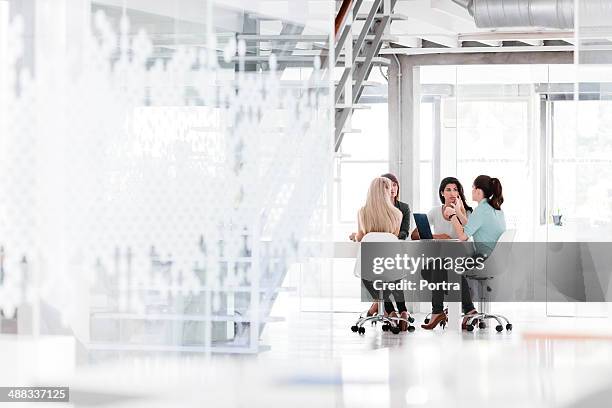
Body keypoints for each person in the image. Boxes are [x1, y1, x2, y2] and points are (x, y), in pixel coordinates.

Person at [422, 175, 506, 330]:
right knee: (439, 266)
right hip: (493, 259)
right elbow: (471, 225)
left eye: (473, 188)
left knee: (442, 265)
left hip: (482, 259)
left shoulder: (482, 210)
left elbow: (463, 236)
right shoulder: (494, 208)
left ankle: (440, 311)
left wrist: (453, 214)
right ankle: (467, 308)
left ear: (479, 191)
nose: (471, 190)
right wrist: (459, 212)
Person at [353, 177, 410, 331]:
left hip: (369, 269)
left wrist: (359, 236)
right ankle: (399, 311)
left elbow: (360, 236)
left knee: (372, 280)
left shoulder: (362, 212)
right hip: (390, 267)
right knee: (392, 279)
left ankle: (388, 311)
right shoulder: (397, 214)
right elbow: (394, 236)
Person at [410, 176, 472, 240]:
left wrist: (459, 211)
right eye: (448, 190)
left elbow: (467, 236)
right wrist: (438, 237)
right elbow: (414, 235)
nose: (452, 193)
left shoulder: (467, 212)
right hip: (440, 249)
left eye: (455, 190)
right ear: (442, 193)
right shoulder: (435, 211)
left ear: (458, 193)